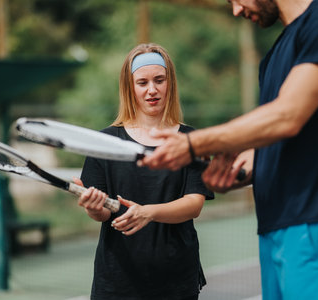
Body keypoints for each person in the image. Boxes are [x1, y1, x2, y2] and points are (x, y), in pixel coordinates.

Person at [140, 0, 318, 299]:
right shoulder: (271, 59)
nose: (235, 10)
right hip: (274, 228)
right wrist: (230, 172)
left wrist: (194, 143)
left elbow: (288, 115)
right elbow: (274, 145)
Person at [75, 43, 214, 300]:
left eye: (159, 80)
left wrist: (147, 213)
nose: (152, 90)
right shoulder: (103, 142)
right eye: (142, 82)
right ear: (130, 87)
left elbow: (194, 204)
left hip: (176, 279)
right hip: (117, 279)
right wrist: (94, 207)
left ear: (169, 83)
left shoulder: (191, 139)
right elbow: (103, 212)